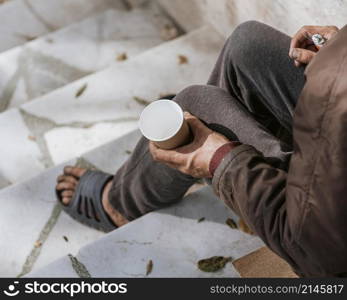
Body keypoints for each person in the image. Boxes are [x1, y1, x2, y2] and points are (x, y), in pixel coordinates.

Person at [55, 21, 347, 277]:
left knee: (196, 107)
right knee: (248, 46)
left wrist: (221, 161)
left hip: (324, 239)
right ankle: (226, 120)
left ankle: (120, 205)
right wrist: (338, 58)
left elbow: (312, 248)